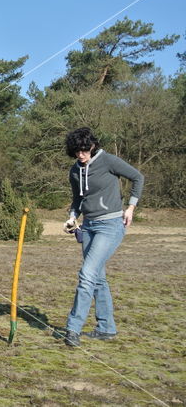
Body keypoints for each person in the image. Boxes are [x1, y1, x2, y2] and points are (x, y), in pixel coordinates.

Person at [62, 127, 144, 347]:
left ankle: (72, 329)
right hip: (88, 226)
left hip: (111, 225)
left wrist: (131, 208)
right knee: (97, 277)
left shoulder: (108, 161)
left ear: (92, 145)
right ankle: (106, 328)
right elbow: (78, 199)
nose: (81, 154)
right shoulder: (74, 171)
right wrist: (72, 217)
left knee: (87, 274)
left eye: (84, 149)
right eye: (76, 151)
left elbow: (138, 177)